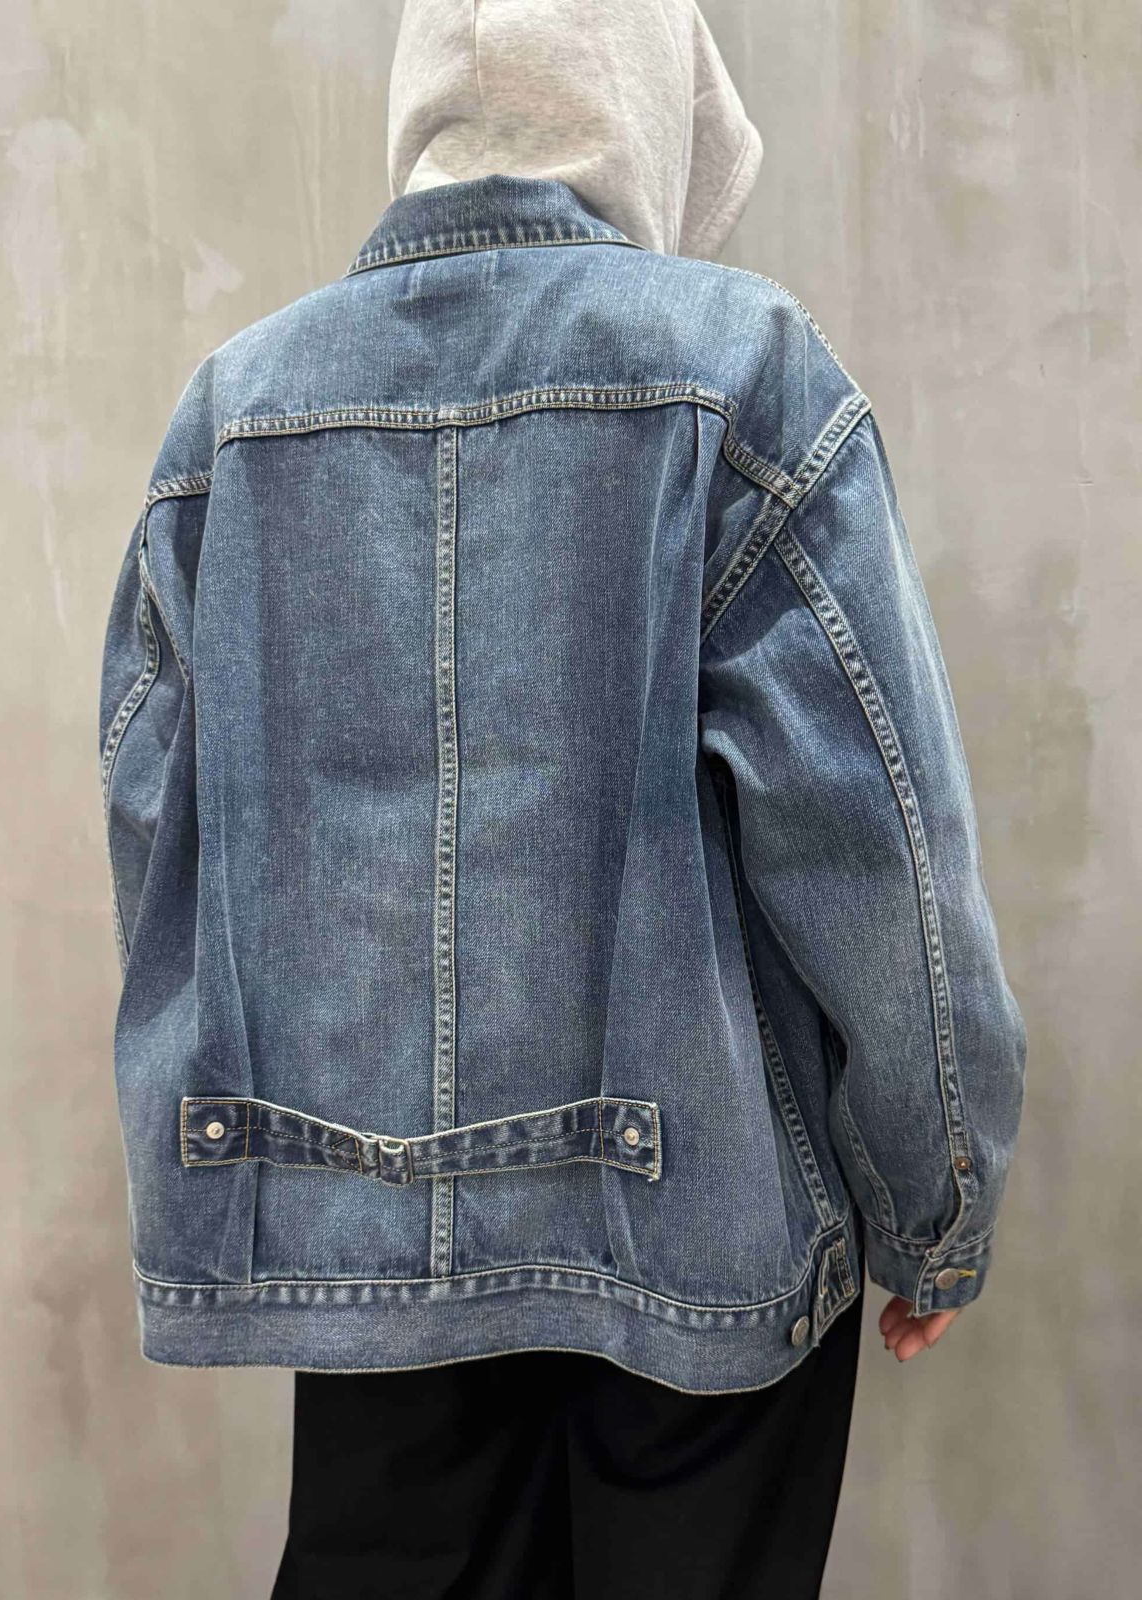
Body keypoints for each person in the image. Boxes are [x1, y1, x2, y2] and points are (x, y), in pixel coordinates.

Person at [96, 2, 1028, 1595]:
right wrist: (933, 1196)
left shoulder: (233, 414)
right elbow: (880, 844)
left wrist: (250, 1165)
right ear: (661, 110)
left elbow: (156, 835)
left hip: (364, 1242)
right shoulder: (744, 374)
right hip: (702, 1230)